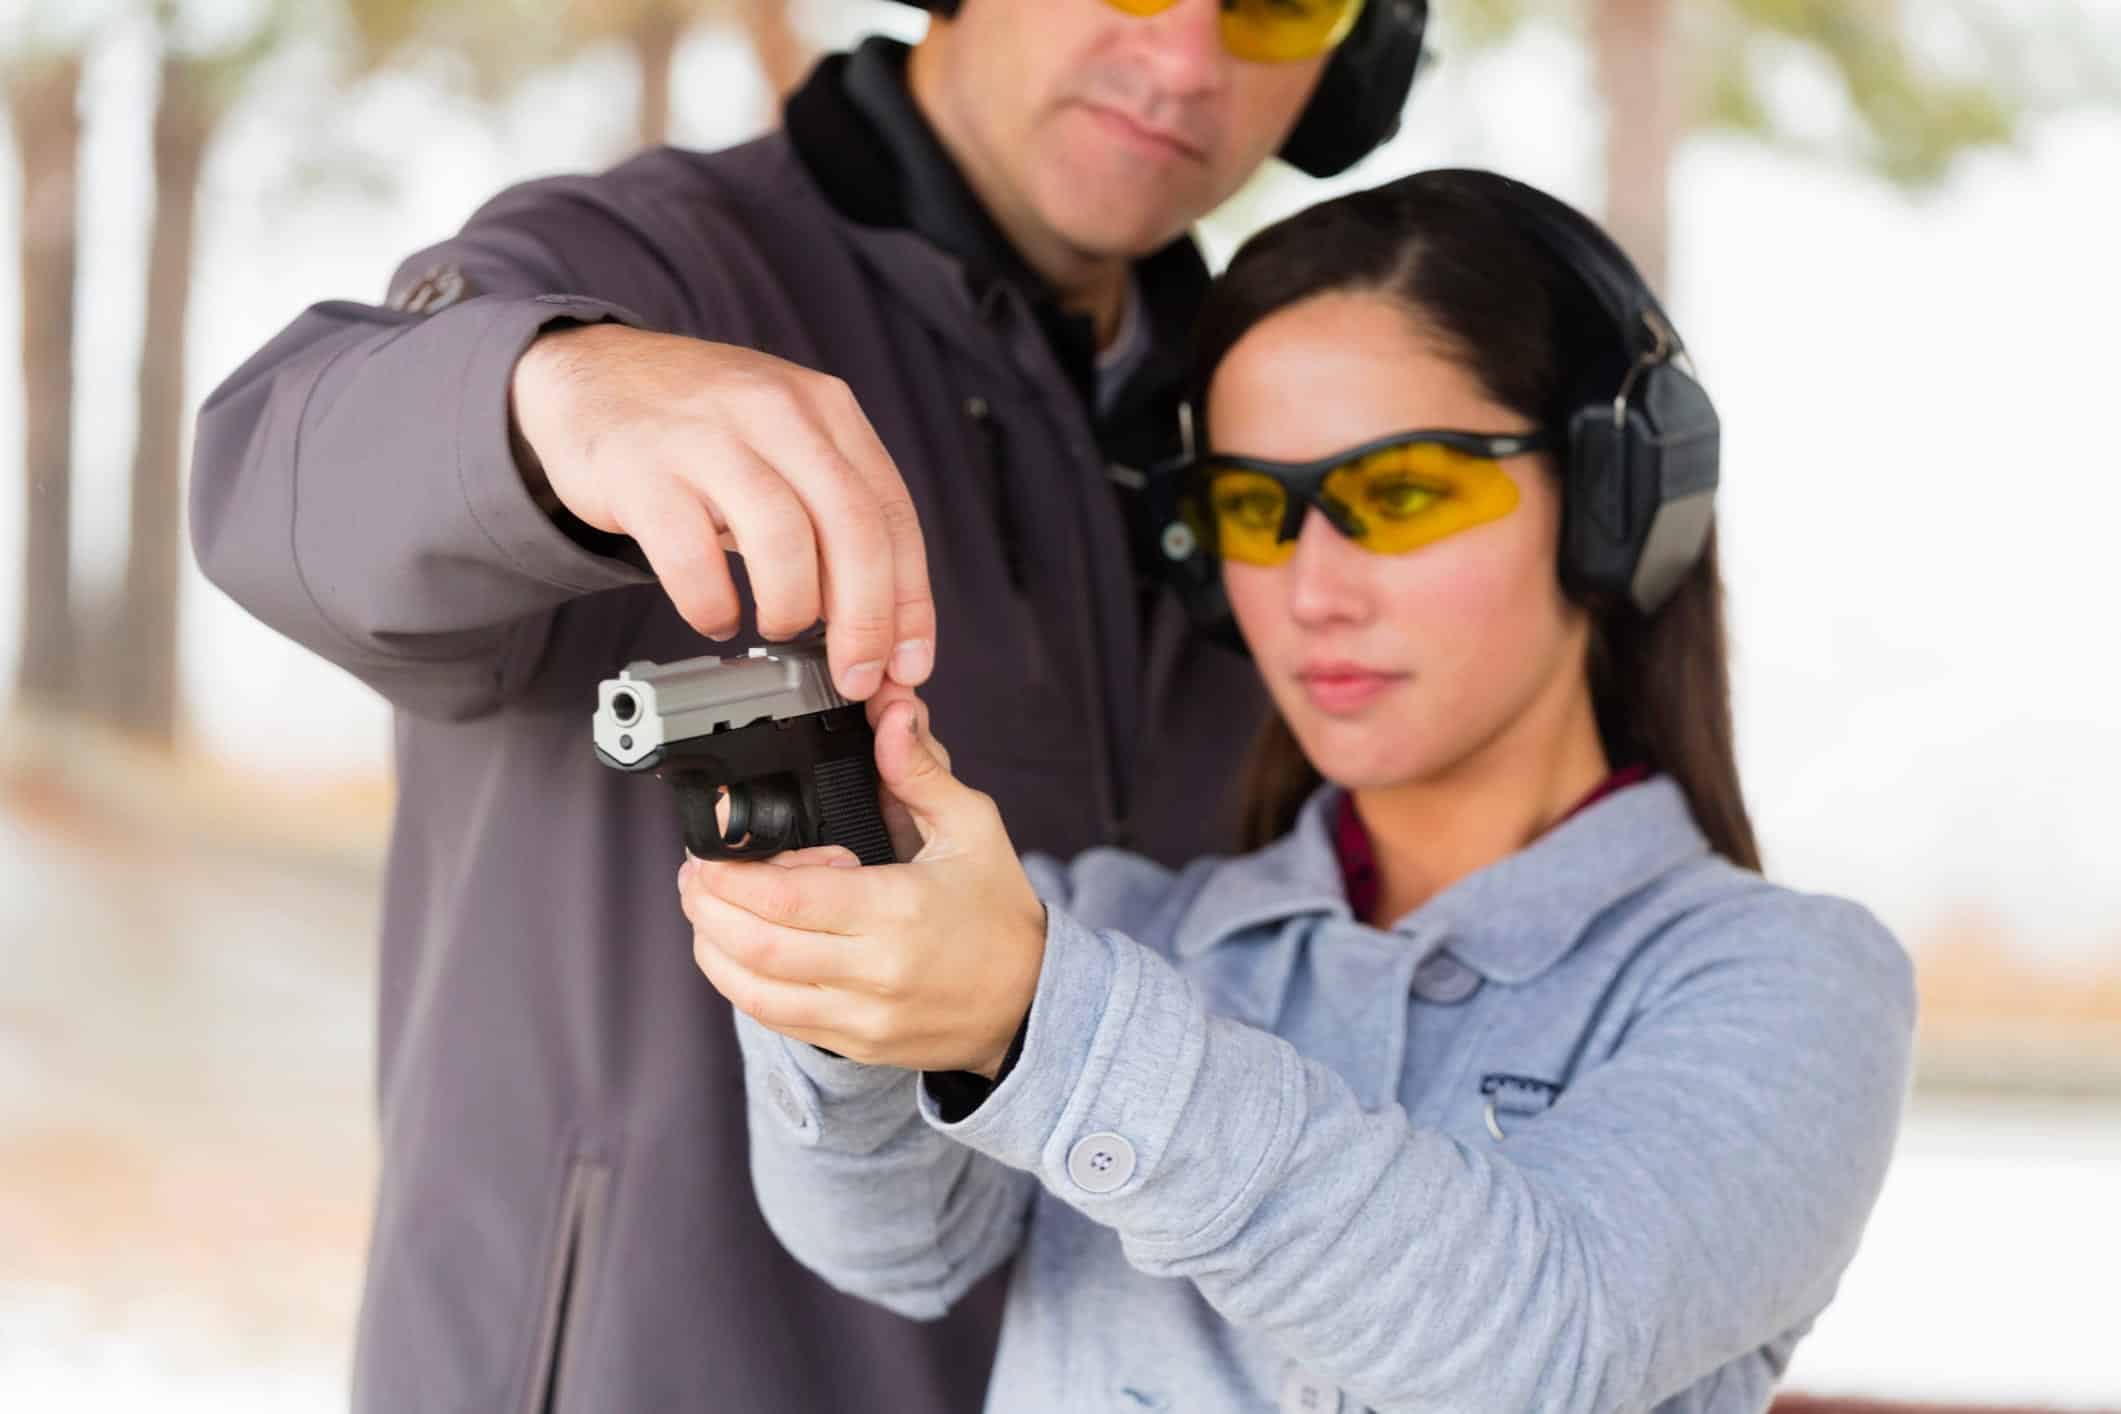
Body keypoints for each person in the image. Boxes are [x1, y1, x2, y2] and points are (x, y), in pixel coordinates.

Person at [187, 0, 1429, 1407]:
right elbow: (270, 472)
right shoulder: (642, 269)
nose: (1189, 57)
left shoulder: (1274, 431)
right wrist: (552, 397)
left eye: (1283, 0)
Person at [683, 169, 1920, 1413]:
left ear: (1615, 501)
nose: (1316, 591)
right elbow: (895, 1248)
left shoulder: (1788, 980)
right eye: (1254, 509)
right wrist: (842, 970)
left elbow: (1545, 1343)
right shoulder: (1112, 926)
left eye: (1403, 494)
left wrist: (1035, 1013)